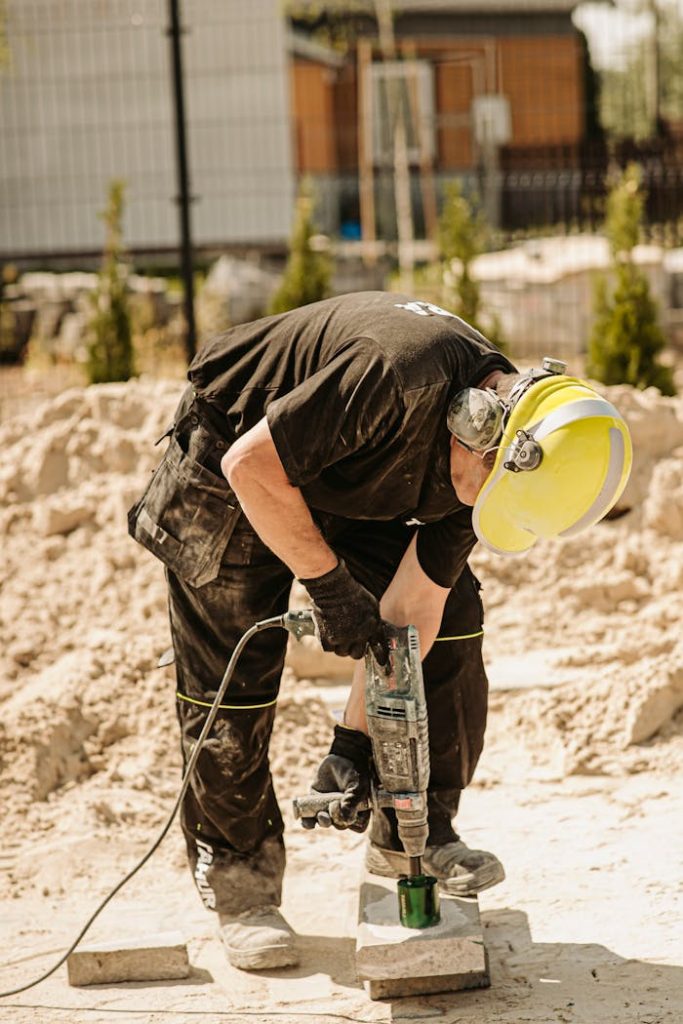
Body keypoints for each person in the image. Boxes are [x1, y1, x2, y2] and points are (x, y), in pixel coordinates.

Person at [128, 291, 631, 971]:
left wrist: (352, 740)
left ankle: (409, 834)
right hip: (235, 455)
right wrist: (330, 587)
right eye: (481, 489)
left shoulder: (500, 459)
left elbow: (412, 607)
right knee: (232, 677)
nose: (480, 506)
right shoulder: (394, 374)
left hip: (349, 473)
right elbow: (251, 468)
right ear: (470, 426)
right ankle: (241, 886)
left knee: (451, 622)